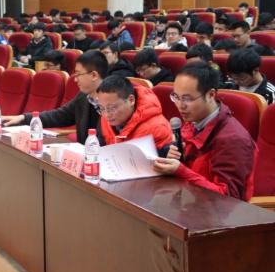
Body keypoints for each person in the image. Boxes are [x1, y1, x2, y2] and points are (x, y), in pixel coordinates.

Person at [153, 62, 256, 201]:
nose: (180, 105)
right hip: (189, 200)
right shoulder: (194, 120)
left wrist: (181, 171)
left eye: (187, 99)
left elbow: (229, 199)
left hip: (214, 211)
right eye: (176, 97)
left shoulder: (233, 139)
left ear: (211, 94)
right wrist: (177, 158)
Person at [3, 50, 106, 144]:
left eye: (78, 74)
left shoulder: (111, 101)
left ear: (94, 75)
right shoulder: (83, 96)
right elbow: (59, 116)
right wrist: (24, 118)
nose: (75, 80)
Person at [95, 75, 172, 151]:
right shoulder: (105, 118)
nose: (107, 115)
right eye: (101, 108)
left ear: (131, 100)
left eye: (112, 108)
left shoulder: (157, 128)